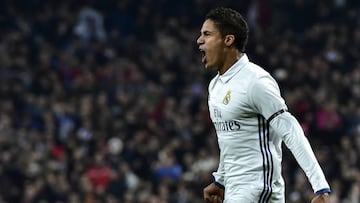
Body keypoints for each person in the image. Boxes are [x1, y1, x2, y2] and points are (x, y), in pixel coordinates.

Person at [196, 7, 331, 203]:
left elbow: (291, 130)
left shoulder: (256, 82)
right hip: (235, 189)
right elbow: (230, 141)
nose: (199, 40)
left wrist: (320, 187)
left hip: (257, 187)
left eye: (207, 34)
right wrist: (221, 180)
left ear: (228, 40)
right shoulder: (215, 85)